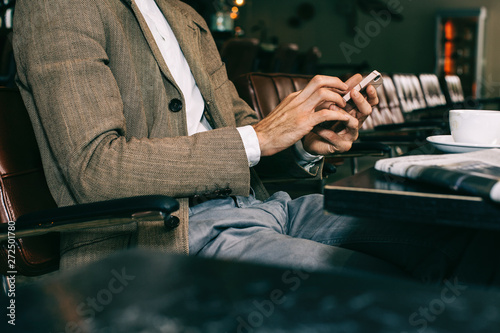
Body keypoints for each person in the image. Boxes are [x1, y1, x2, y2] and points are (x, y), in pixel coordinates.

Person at [12, 0, 499, 285]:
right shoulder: (58, 7)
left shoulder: (183, 15)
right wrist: (261, 135)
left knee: (475, 237)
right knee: (378, 288)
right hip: (168, 234)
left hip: (269, 205)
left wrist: (308, 142)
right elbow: (97, 168)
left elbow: (246, 135)